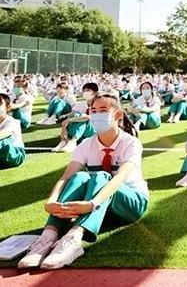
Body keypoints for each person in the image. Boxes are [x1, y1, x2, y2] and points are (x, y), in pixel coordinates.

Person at [18, 93, 148, 269]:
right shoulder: (86, 144)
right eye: (93, 111)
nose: (96, 115)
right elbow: (66, 176)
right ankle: (49, 235)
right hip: (100, 207)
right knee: (79, 176)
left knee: (101, 176)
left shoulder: (131, 142)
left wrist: (92, 203)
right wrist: (51, 201)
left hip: (131, 203)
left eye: (103, 110)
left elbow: (120, 177)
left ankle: (74, 238)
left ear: (117, 115)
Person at [51, 82, 98, 153]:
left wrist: (69, 120)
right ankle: (64, 141)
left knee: (82, 116)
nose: (85, 92)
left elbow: (89, 118)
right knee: (77, 115)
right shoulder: (80, 104)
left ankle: (73, 141)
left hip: (92, 131)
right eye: (84, 90)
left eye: (88, 90)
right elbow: (70, 116)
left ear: (95, 92)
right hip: (80, 133)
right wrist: (64, 128)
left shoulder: (99, 104)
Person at [0, 93, 25, 169]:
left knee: (3, 142)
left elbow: (4, 133)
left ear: (7, 107)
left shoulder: (13, 122)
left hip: (16, 154)